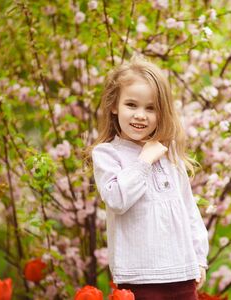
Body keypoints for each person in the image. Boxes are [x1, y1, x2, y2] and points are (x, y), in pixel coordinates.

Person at [89, 56, 209, 300]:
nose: (140, 115)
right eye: (131, 105)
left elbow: (188, 210)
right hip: (139, 278)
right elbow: (117, 200)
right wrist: (144, 161)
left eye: (150, 108)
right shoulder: (107, 154)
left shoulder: (168, 154)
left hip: (182, 274)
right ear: (114, 106)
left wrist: (199, 258)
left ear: (161, 112)